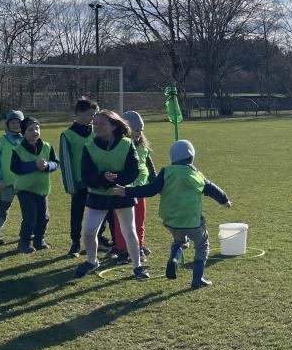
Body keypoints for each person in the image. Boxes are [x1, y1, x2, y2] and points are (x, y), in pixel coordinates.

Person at [114, 140, 231, 290]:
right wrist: (224, 200)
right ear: (191, 157)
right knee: (202, 245)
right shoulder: (194, 173)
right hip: (193, 221)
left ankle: (174, 259)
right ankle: (198, 279)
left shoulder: (166, 172)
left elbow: (150, 190)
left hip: (171, 221)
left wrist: (127, 191)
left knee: (179, 241)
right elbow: (211, 188)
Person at [75, 110, 149, 280]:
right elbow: (86, 175)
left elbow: (133, 171)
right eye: (95, 124)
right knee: (88, 231)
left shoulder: (126, 144)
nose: (97, 127)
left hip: (122, 193)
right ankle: (92, 261)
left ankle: (137, 266)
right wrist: (102, 179)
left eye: (102, 124)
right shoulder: (89, 147)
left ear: (114, 126)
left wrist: (118, 181)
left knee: (129, 231)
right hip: (98, 195)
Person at [112, 111, 156, 265]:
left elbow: (148, 166)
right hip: (124, 191)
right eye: (136, 130)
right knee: (122, 223)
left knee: (139, 220)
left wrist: (155, 182)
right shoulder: (120, 146)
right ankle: (123, 249)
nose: (139, 133)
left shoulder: (142, 146)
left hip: (140, 190)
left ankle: (139, 246)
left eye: (141, 130)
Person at [10, 117, 59, 253]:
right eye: (30, 129)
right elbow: (15, 168)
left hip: (42, 189)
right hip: (24, 189)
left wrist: (48, 165)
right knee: (30, 217)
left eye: (37, 128)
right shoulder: (18, 149)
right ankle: (24, 243)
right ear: (24, 132)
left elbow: (56, 163)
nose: (34, 132)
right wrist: (34, 165)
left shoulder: (47, 147)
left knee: (44, 217)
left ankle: (39, 240)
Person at [60, 97, 100, 257]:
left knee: (98, 211)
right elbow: (66, 162)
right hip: (79, 182)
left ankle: (98, 239)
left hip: (96, 181)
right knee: (77, 213)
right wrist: (71, 185)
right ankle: (75, 242)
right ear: (78, 113)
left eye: (95, 115)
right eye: (90, 114)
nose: (93, 118)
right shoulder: (67, 135)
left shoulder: (97, 132)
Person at [0, 110, 25, 245]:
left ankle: (27, 233)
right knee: (2, 208)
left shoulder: (28, 139)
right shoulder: (1, 141)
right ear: (7, 124)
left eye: (18, 122)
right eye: (12, 122)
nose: (15, 125)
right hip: (6, 183)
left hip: (25, 182)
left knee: (28, 209)